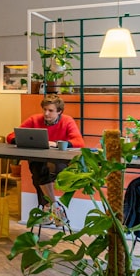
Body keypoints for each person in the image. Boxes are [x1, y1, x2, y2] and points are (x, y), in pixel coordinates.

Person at [6, 94, 84, 223]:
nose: (46, 113)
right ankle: (56, 207)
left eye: (51, 110)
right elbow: (10, 136)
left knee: (38, 175)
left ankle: (47, 208)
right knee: (38, 167)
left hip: (59, 165)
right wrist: (19, 140)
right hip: (40, 163)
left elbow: (79, 142)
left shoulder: (67, 120)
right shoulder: (35, 119)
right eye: (45, 110)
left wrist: (55, 143)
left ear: (59, 111)